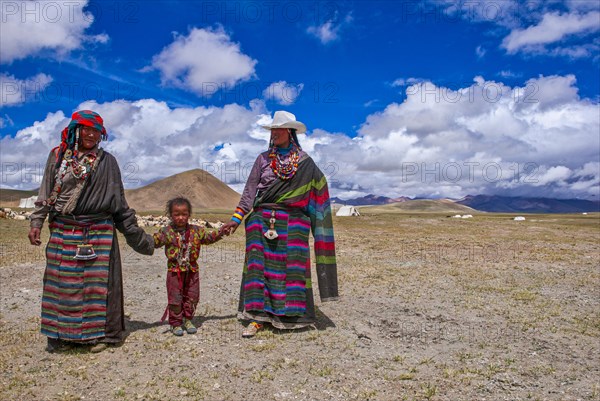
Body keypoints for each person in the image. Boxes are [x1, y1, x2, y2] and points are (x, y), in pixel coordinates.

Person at [28, 110, 155, 353]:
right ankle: (59, 334)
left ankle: (99, 336)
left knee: (96, 287)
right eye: (85, 128)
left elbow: (118, 203)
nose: (90, 134)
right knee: (60, 284)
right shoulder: (57, 157)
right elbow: (45, 192)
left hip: (99, 231)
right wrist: (36, 222)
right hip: (64, 229)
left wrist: (142, 240)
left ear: (101, 135)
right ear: (75, 129)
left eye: (96, 130)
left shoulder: (108, 162)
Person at [220, 111, 338, 338]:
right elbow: (249, 192)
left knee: (291, 270)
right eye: (272, 129)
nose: (274, 133)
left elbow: (318, 190)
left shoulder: (305, 163)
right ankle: (257, 318)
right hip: (260, 223)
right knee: (259, 270)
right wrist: (235, 220)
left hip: (294, 225)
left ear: (290, 132)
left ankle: (290, 316)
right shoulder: (262, 159)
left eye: (278, 129)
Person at [153, 197, 223, 336]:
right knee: (175, 297)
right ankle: (175, 323)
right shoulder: (166, 231)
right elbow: (154, 242)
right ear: (171, 215)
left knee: (192, 296)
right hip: (174, 271)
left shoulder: (197, 231)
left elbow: (209, 238)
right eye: (176, 214)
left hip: (192, 271)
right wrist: (137, 235)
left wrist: (222, 231)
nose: (180, 217)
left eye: (184, 214)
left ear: (189, 214)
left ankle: (188, 319)